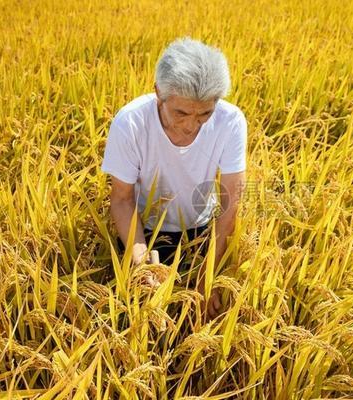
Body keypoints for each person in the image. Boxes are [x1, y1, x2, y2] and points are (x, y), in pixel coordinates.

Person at [100, 37, 247, 319]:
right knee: (138, 312)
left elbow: (231, 205)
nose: (192, 125)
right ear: (159, 93)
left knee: (213, 312)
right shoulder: (130, 123)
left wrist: (209, 274)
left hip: (203, 231)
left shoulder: (230, 122)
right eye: (181, 112)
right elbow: (121, 199)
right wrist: (140, 260)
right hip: (144, 230)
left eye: (205, 113)